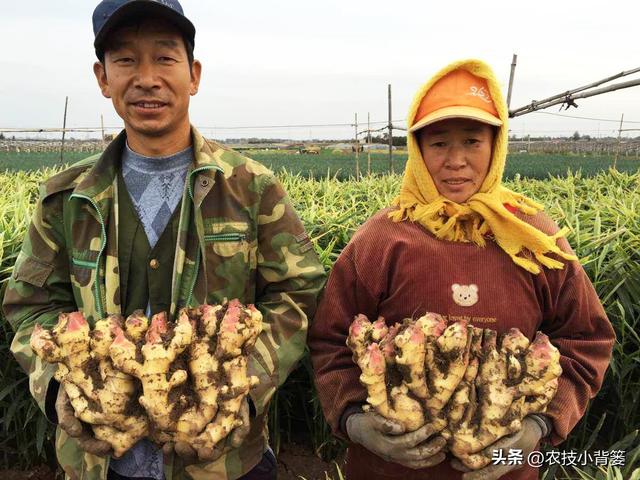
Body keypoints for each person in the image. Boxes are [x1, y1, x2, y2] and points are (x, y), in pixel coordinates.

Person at [3, 1, 326, 479]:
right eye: (126, 60)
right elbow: (29, 306)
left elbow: (298, 296)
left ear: (193, 75)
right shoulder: (66, 201)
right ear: (102, 77)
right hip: (100, 459)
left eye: (165, 58)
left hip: (225, 459)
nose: (147, 77)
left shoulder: (251, 188)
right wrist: (60, 389)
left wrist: (239, 388)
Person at [308, 59, 616, 480]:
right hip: (388, 470)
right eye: (438, 144)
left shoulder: (535, 241)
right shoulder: (380, 241)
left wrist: (538, 426)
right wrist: (357, 424)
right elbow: (330, 340)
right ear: (417, 151)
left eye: (472, 141)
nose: (455, 161)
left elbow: (585, 340)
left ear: (496, 145)